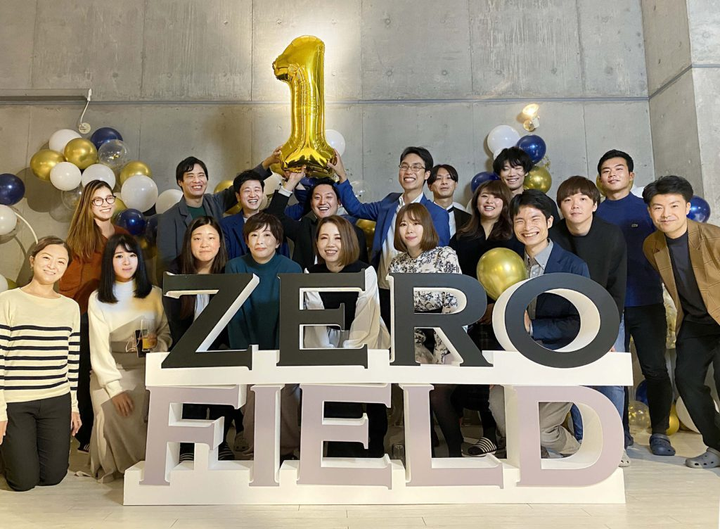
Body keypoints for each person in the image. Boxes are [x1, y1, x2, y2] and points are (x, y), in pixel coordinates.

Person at [489, 190, 590, 457]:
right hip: (517, 359)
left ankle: (579, 454)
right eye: (520, 220)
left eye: (534, 219)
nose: (527, 227)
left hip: (560, 358)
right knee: (500, 409)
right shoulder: (505, 261)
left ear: (549, 221)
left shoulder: (573, 266)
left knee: (542, 430)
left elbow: (580, 322)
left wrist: (533, 328)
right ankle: (534, 455)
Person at [596, 149, 674, 456]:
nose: (612, 174)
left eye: (618, 169)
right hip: (610, 306)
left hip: (647, 300)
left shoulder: (647, 210)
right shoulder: (594, 213)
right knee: (614, 372)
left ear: (631, 175)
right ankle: (620, 432)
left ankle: (660, 433)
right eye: (606, 170)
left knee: (655, 369)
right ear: (600, 179)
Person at [642, 175, 720, 469]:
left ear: (687, 207)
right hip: (695, 323)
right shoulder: (652, 245)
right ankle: (717, 444)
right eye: (658, 207)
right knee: (686, 381)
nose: (666, 214)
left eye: (674, 206)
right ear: (650, 212)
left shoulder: (714, 238)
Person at [551, 176, 629, 465]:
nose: (575, 205)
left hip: (607, 314)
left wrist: (607, 330)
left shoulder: (611, 235)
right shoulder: (554, 235)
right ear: (560, 206)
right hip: (569, 317)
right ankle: (585, 441)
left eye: (583, 199)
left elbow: (616, 286)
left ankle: (614, 444)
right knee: (578, 380)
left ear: (595, 204)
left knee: (611, 379)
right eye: (568, 200)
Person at [330, 148, 451, 332]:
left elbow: (438, 259)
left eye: (416, 167)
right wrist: (342, 174)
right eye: (404, 166)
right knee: (385, 343)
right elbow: (356, 209)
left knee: (412, 345)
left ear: (427, 174)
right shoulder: (389, 203)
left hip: (416, 295)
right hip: (383, 289)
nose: (409, 171)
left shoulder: (436, 213)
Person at [0, 237, 81, 491]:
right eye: (47, 258)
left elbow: (72, 361)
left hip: (56, 399)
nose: (52, 265)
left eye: (61, 262)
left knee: (53, 476)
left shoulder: (70, 307)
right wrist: (0, 410)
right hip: (16, 401)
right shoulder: (8, 301)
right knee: (22, 482)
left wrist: (74, 405)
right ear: (32, 260)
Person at [304, 215, 389, 457]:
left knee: (370, 394)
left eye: (337, 238)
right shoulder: (310, 272)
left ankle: (375, 446)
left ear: (349, 241)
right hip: (326, 342)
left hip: (364, 339)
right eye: (324, 238)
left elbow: (366, 317)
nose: (330, 244)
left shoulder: (365, 271)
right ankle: (338, 450)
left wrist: (349, 356)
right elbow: (315, 320)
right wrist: (331, 357)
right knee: (333, 393)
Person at [88, 234, 171, 482]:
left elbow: (166, 332)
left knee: (144, 404)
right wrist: (114, 388)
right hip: (109, 369)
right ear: (109, 261)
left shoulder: (154, 294)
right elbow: (99, 348)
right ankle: (118, 466)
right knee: (111, 407)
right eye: (119, 256)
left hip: (147, 366)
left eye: (132, 255)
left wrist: (156, 344)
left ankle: (148, 465)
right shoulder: (98, 298)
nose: (127, 262)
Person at [450, 180, 523, 456]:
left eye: (496, 197)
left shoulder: (514, 236)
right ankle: (488, 433)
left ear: (504, 203)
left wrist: (495, 307)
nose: (489, 201)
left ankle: (504, 432)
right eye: (483, 196)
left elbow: (518, 278)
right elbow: (453, 275)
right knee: (476, 377)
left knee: (499, 374)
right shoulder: (462, 236)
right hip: (468, 316)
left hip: (502, 315)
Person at [388, 203, 464, 456]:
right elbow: (399, 310)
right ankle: (424, 449)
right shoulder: (397, 264)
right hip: (414, 335)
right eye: (403, 224)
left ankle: (456, 451)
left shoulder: (445, 255)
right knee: (416, 389)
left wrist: (441, 351)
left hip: (449, 334)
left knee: (438, 394)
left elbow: (455, 302)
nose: (409, 229)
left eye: (415, 223)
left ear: (427, 227)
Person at [59, 180, 129, 451]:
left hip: (120, 315)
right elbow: (68, 286)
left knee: (117, 369)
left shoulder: (123, 234)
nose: (105, 204)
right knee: (86, 373)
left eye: (109, 198)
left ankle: (117, 430)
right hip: (87, 316)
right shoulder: (79, 238)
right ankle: (87, 434)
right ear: (88, 205)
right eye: (97, 200)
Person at [225, 213, 302, 460]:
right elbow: (234, 315)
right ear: (246, 240)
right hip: (248, 349)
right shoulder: (235, 267)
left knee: (287, 398)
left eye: (267, 235)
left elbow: (292, 315)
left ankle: (287, 452)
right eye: (254, 235)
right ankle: (254, 451)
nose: (260, 241)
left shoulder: (291, 269)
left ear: (277, 241)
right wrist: (247, 354)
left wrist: (281, 354)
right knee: (252, 400)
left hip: (283, 348)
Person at [163, 216, 235, 461]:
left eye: (211, 238)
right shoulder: (175, 271)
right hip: (185, 344)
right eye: (198, 238)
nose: (205, 244)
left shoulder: (229, 271)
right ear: (189, 242)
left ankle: (220, 441)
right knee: (189, 385)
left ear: (220, 243)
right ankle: (187, 443)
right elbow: (174, 320)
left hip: (220, 347)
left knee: (223, 381)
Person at [156, 149, 282, 281]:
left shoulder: (213, 202)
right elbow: (165, 264)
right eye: (190, 176)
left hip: (219, 278)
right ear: (180, 182)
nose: (197, 180)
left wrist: (268, 162)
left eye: (201, 175)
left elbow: (243, 184)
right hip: (187, 282)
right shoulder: (168, 218)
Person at [266, 169, 368, 270]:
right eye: (317, 197)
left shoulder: (355, 233)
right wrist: (292, 182)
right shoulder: (304, 229)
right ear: (311, 203)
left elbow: (362, 271)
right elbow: (273, 216)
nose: (322, 202)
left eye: (328, 197)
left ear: (339, 201)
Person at [220, 169, 297, 260]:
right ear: (238, 196)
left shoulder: (274, 220)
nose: (253, 195)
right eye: (247, 191)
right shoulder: (226, 225)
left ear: (262, 193)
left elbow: (283, 257)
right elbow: (224, 258)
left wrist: (294, 180)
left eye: (257, 190)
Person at [493, 147, 559, 219]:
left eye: (517, 168)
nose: (512, 174)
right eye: (506, 169)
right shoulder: (492, 202)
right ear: (499, 174)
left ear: (526, 172)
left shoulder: (542, 201)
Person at [428, 164, 470, 237]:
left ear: (455, 185)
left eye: (448, 178)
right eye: (438, 178)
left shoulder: (468, 219)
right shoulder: (422, 215)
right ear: (430, 186)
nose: (444, 182)